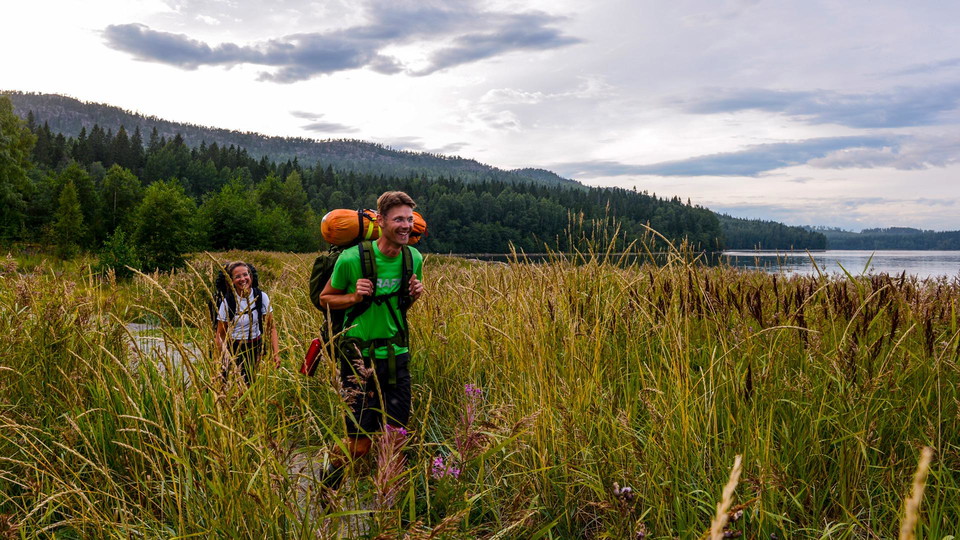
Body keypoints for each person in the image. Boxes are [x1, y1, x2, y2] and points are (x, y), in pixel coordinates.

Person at [319, 191, 425, 484]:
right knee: (359, 445)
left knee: (396, 438)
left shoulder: (413, 258)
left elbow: (399, 308)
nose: (405, 226)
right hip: (358, 357)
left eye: (409, 219)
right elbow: (325, 298)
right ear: (381, 221)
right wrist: (353, 296)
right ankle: (328, 487)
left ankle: (385, 502)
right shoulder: (352, 259)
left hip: (396, 356)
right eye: (398, 219)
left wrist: (411, 296)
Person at [215, 261, 280, 385]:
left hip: (255, 346)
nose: (242, 279)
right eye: (237, 277)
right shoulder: (228, 302)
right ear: (231, 281)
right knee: (230, 385)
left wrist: (276, 353)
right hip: (233, 348)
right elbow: (220, 335)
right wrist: (220, 359)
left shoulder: (261, 297)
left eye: (245, 275)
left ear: (250, 276)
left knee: (249, 383)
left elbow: (271, 328)